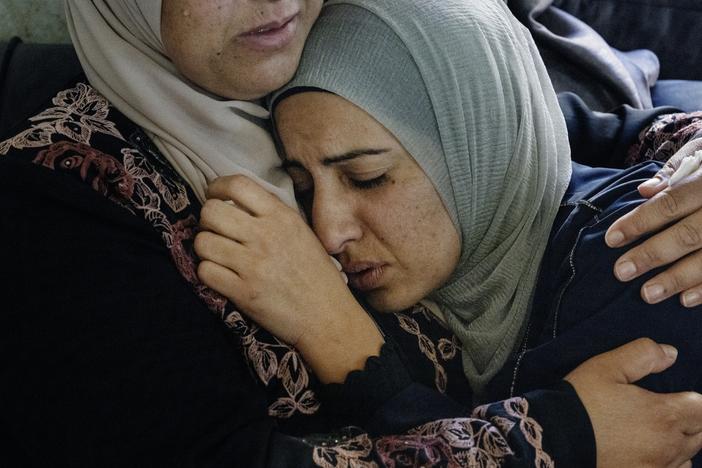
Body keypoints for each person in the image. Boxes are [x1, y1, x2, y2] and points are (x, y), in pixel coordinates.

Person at [0, 0, 701, 466]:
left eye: (365, 178)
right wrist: (551, 442)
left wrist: (689, 148)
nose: (330, 231)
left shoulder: (299, 40)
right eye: (302, 189)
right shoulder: (68, 192)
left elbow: (525, 126)